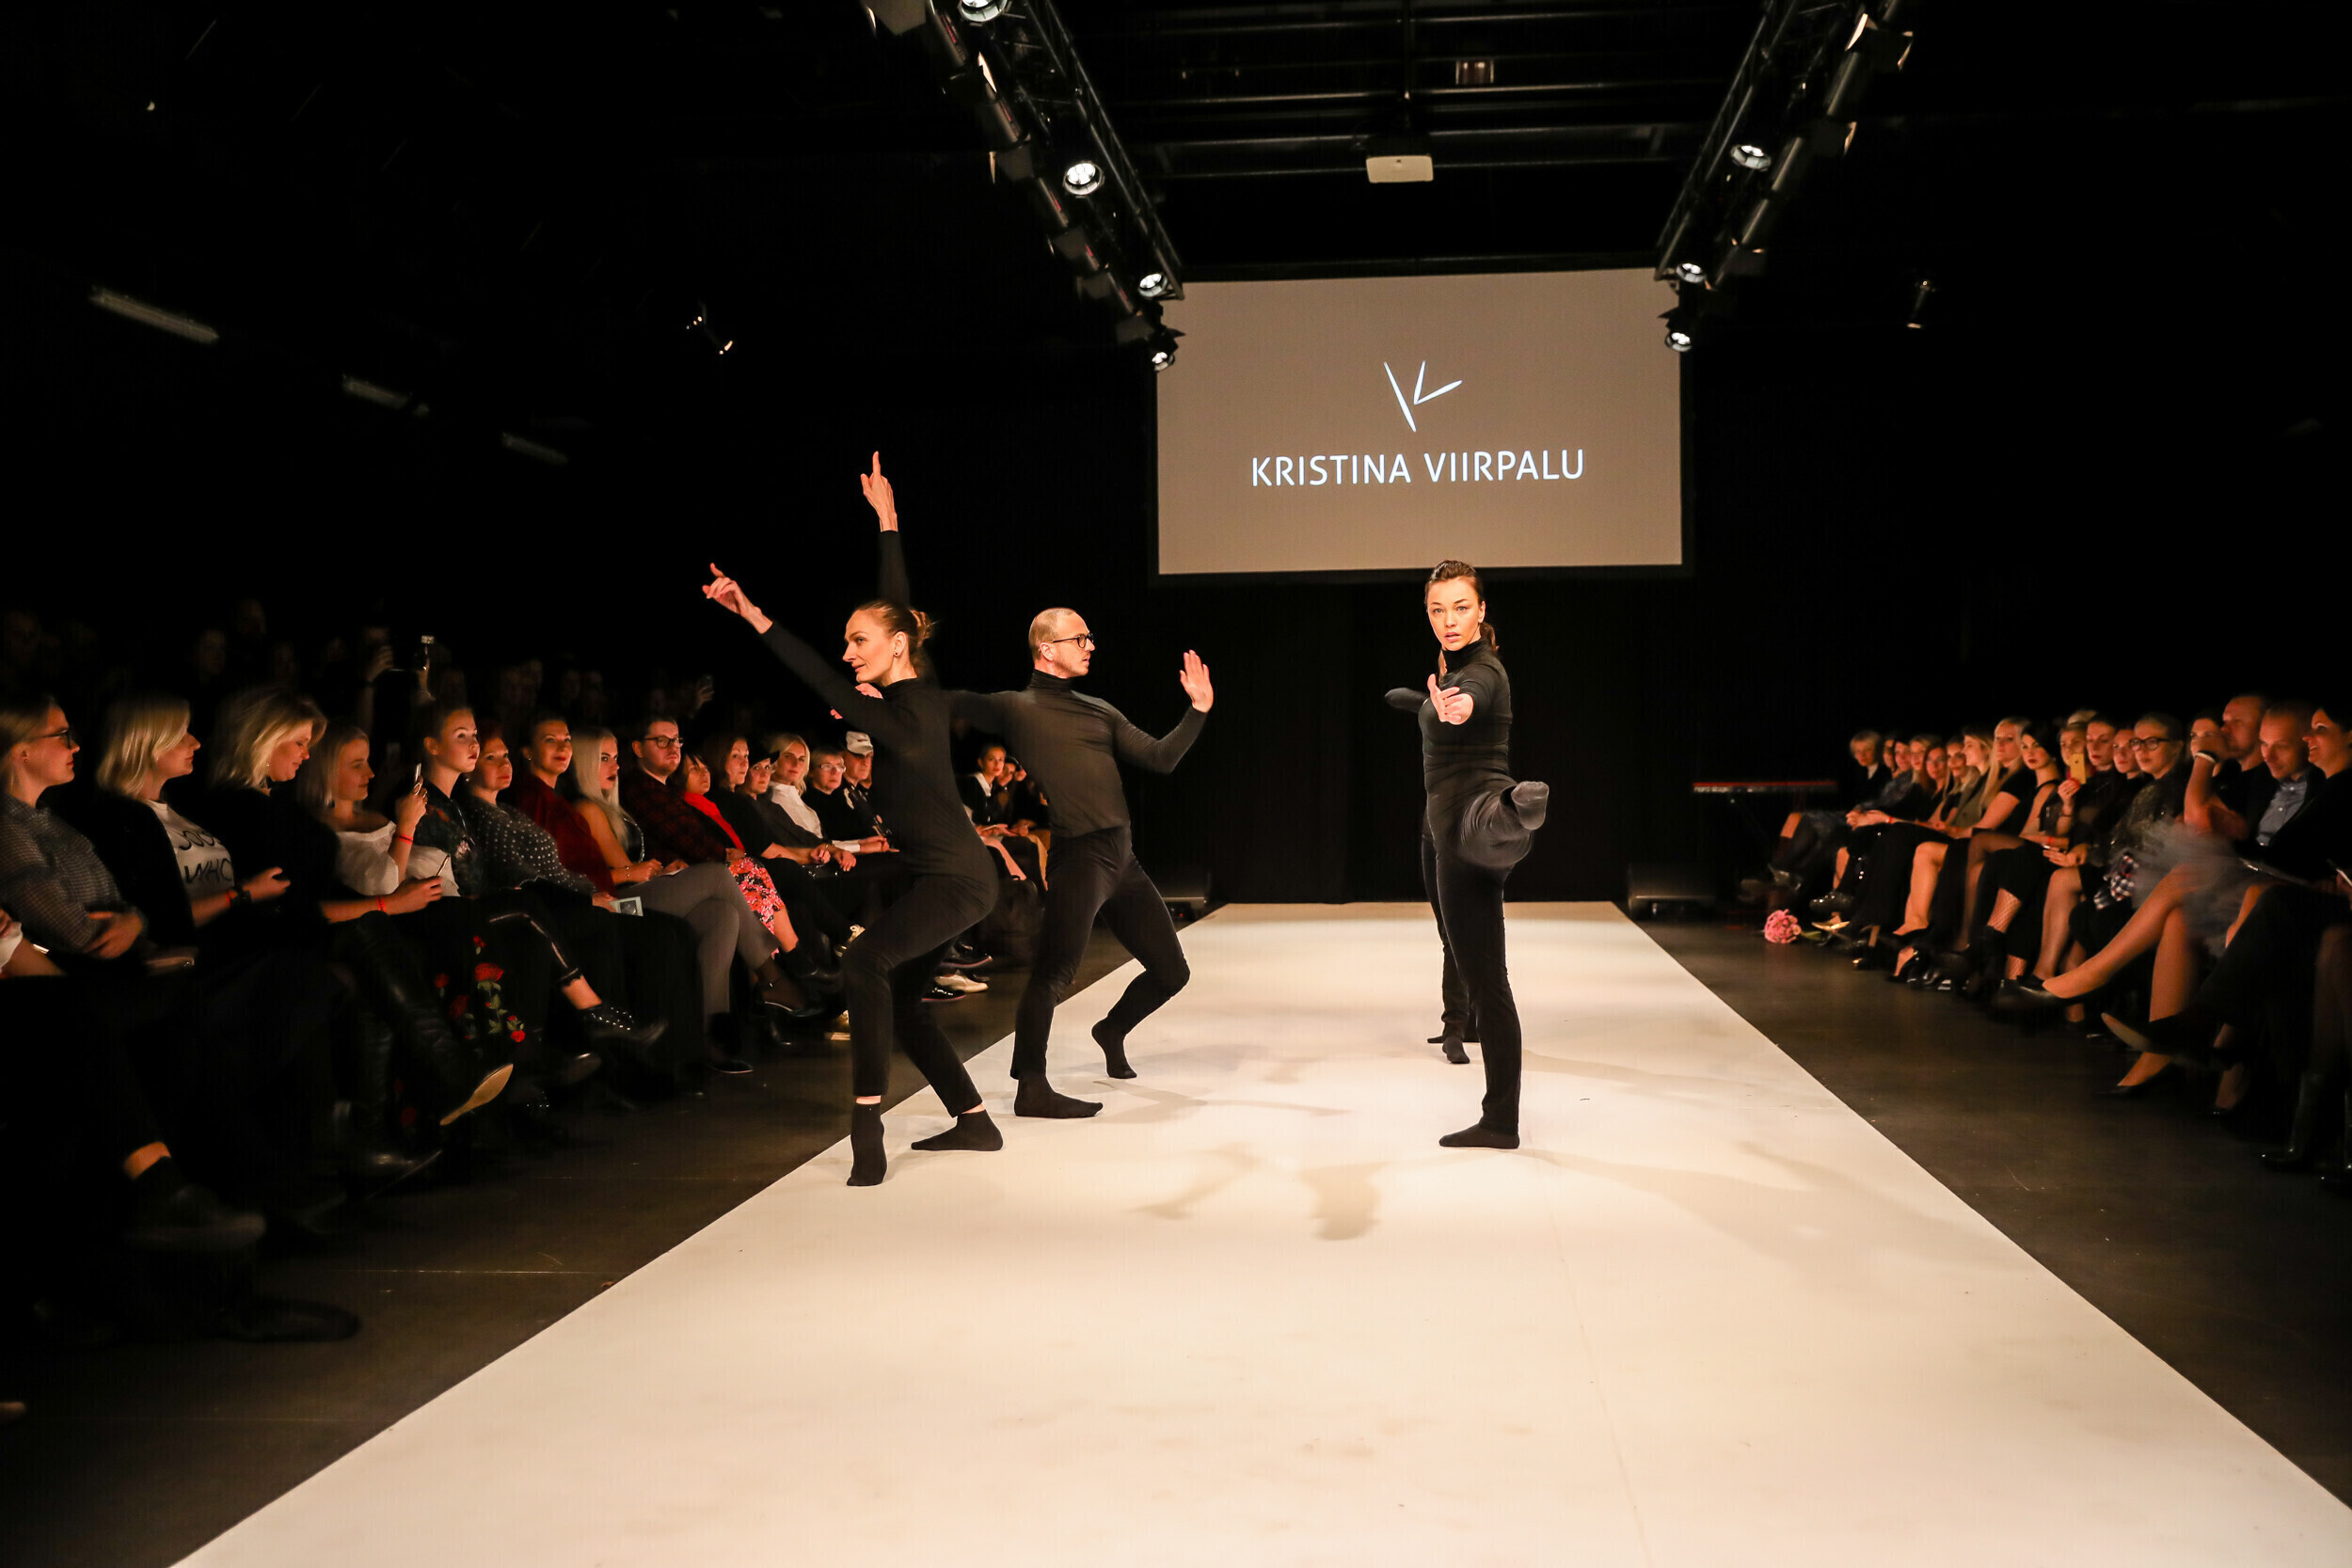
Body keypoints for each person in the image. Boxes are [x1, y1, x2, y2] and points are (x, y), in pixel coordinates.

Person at [850, 463, 1211, 1116]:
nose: (1091, 645)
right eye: (1080, 638)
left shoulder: (1099, 710)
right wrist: (889, 693)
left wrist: (1198, 710)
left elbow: (1160, 759)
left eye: (1090, 638)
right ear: (1046, 649)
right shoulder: (1016, 708)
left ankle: (1111, 1030)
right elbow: (934, 697)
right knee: (1053, 973)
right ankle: (1031, 1086)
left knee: (1172, 971)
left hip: (1122, 855)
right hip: (1078, 855)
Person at [703, 452, 1001, 1187]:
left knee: (865, 963)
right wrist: (889, 521)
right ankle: (974, 1120)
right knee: (904, 1002)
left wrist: (752, 614)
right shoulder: (914, 688)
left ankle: (866, 1120)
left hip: (957, 880)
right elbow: (896, 612)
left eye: (857, 641)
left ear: (896, 648)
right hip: (949, 875)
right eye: (847, 639)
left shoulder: (901, 717)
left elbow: (820, 675)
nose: (847, 651)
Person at [1385, 561, 1549, 1150]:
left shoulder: (1483, 671)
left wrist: (1456, 707)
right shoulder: (1448, 671)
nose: (1449, 620)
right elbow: (1439, 702)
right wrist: (1422, 703)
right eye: (1438, 609)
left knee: (1489, 984)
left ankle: (1515, 810)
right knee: (1468, 956)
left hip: (1468, 815)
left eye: (1460, 607)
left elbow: (1471, 697)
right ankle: (1512, 815)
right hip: (1443, 825)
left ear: (1481, 611)